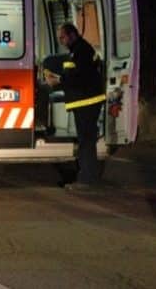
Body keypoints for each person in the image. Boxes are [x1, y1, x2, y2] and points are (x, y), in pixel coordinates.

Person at [45, 23, 105, 190]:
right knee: (85, 141)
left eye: (63, 37)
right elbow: (74, 74)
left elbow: (80, 77)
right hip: (84, 102)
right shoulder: (77, 50)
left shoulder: (82, 51)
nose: (61, 41)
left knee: (86, 142)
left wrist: (59, 81)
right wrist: (59, 78)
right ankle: (85, 177)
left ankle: (87, 180)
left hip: (88, 102)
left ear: (72, 35)